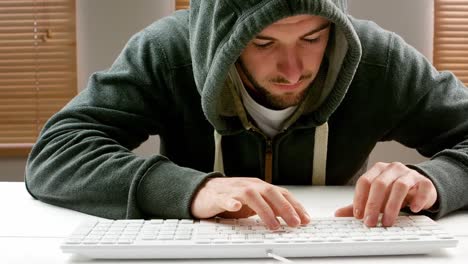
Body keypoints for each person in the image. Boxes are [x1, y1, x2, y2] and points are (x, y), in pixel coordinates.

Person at [25, 0, 468, 230]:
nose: (294, 71)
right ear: (223, 37)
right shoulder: (167, 52)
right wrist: (190, 190)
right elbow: (56, 153)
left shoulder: (376, 60)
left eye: (312, 39)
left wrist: (435, 180)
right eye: (263, 44)